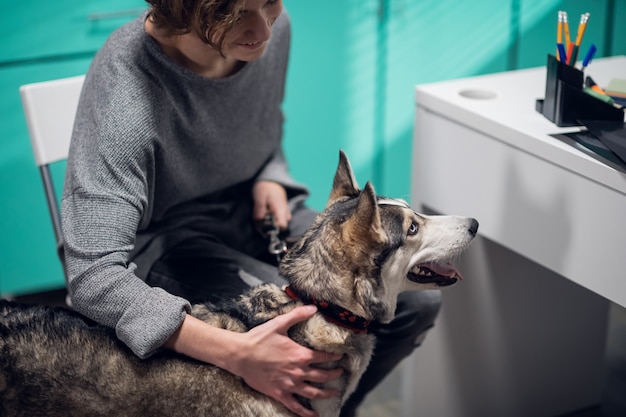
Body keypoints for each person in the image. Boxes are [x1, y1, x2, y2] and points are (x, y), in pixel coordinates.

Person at [61, 1, 442, 416]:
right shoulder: (126, 92)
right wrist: (237, 353)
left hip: (253, 216)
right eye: (234, 11)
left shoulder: (269, 32)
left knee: (412, 304)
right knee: (315, 333)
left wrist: (271, 173)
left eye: (268, 2)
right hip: (167, 243)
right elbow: (92, 277)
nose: (261, 28)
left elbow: (264, 122)